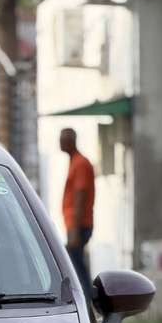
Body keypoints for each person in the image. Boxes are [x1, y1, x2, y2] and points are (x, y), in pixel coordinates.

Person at [60, 127, 95, 296]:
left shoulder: (80, 163)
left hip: (79, 225)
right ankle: (87, 300)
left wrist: (74, 229)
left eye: (62, 139)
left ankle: (87, 301)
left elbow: (80, 195)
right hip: (75, 225)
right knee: (77, 266)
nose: (59, 142)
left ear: (71, 141)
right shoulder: (75, 161)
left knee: (77, 270)